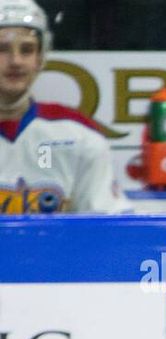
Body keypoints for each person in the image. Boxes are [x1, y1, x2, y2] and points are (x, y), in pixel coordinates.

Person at [0, 0, 128, 213]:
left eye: (27, 50)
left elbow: (109, 227)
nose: (16, 61)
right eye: (2, 49)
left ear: (40, 57)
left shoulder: (79, 136)